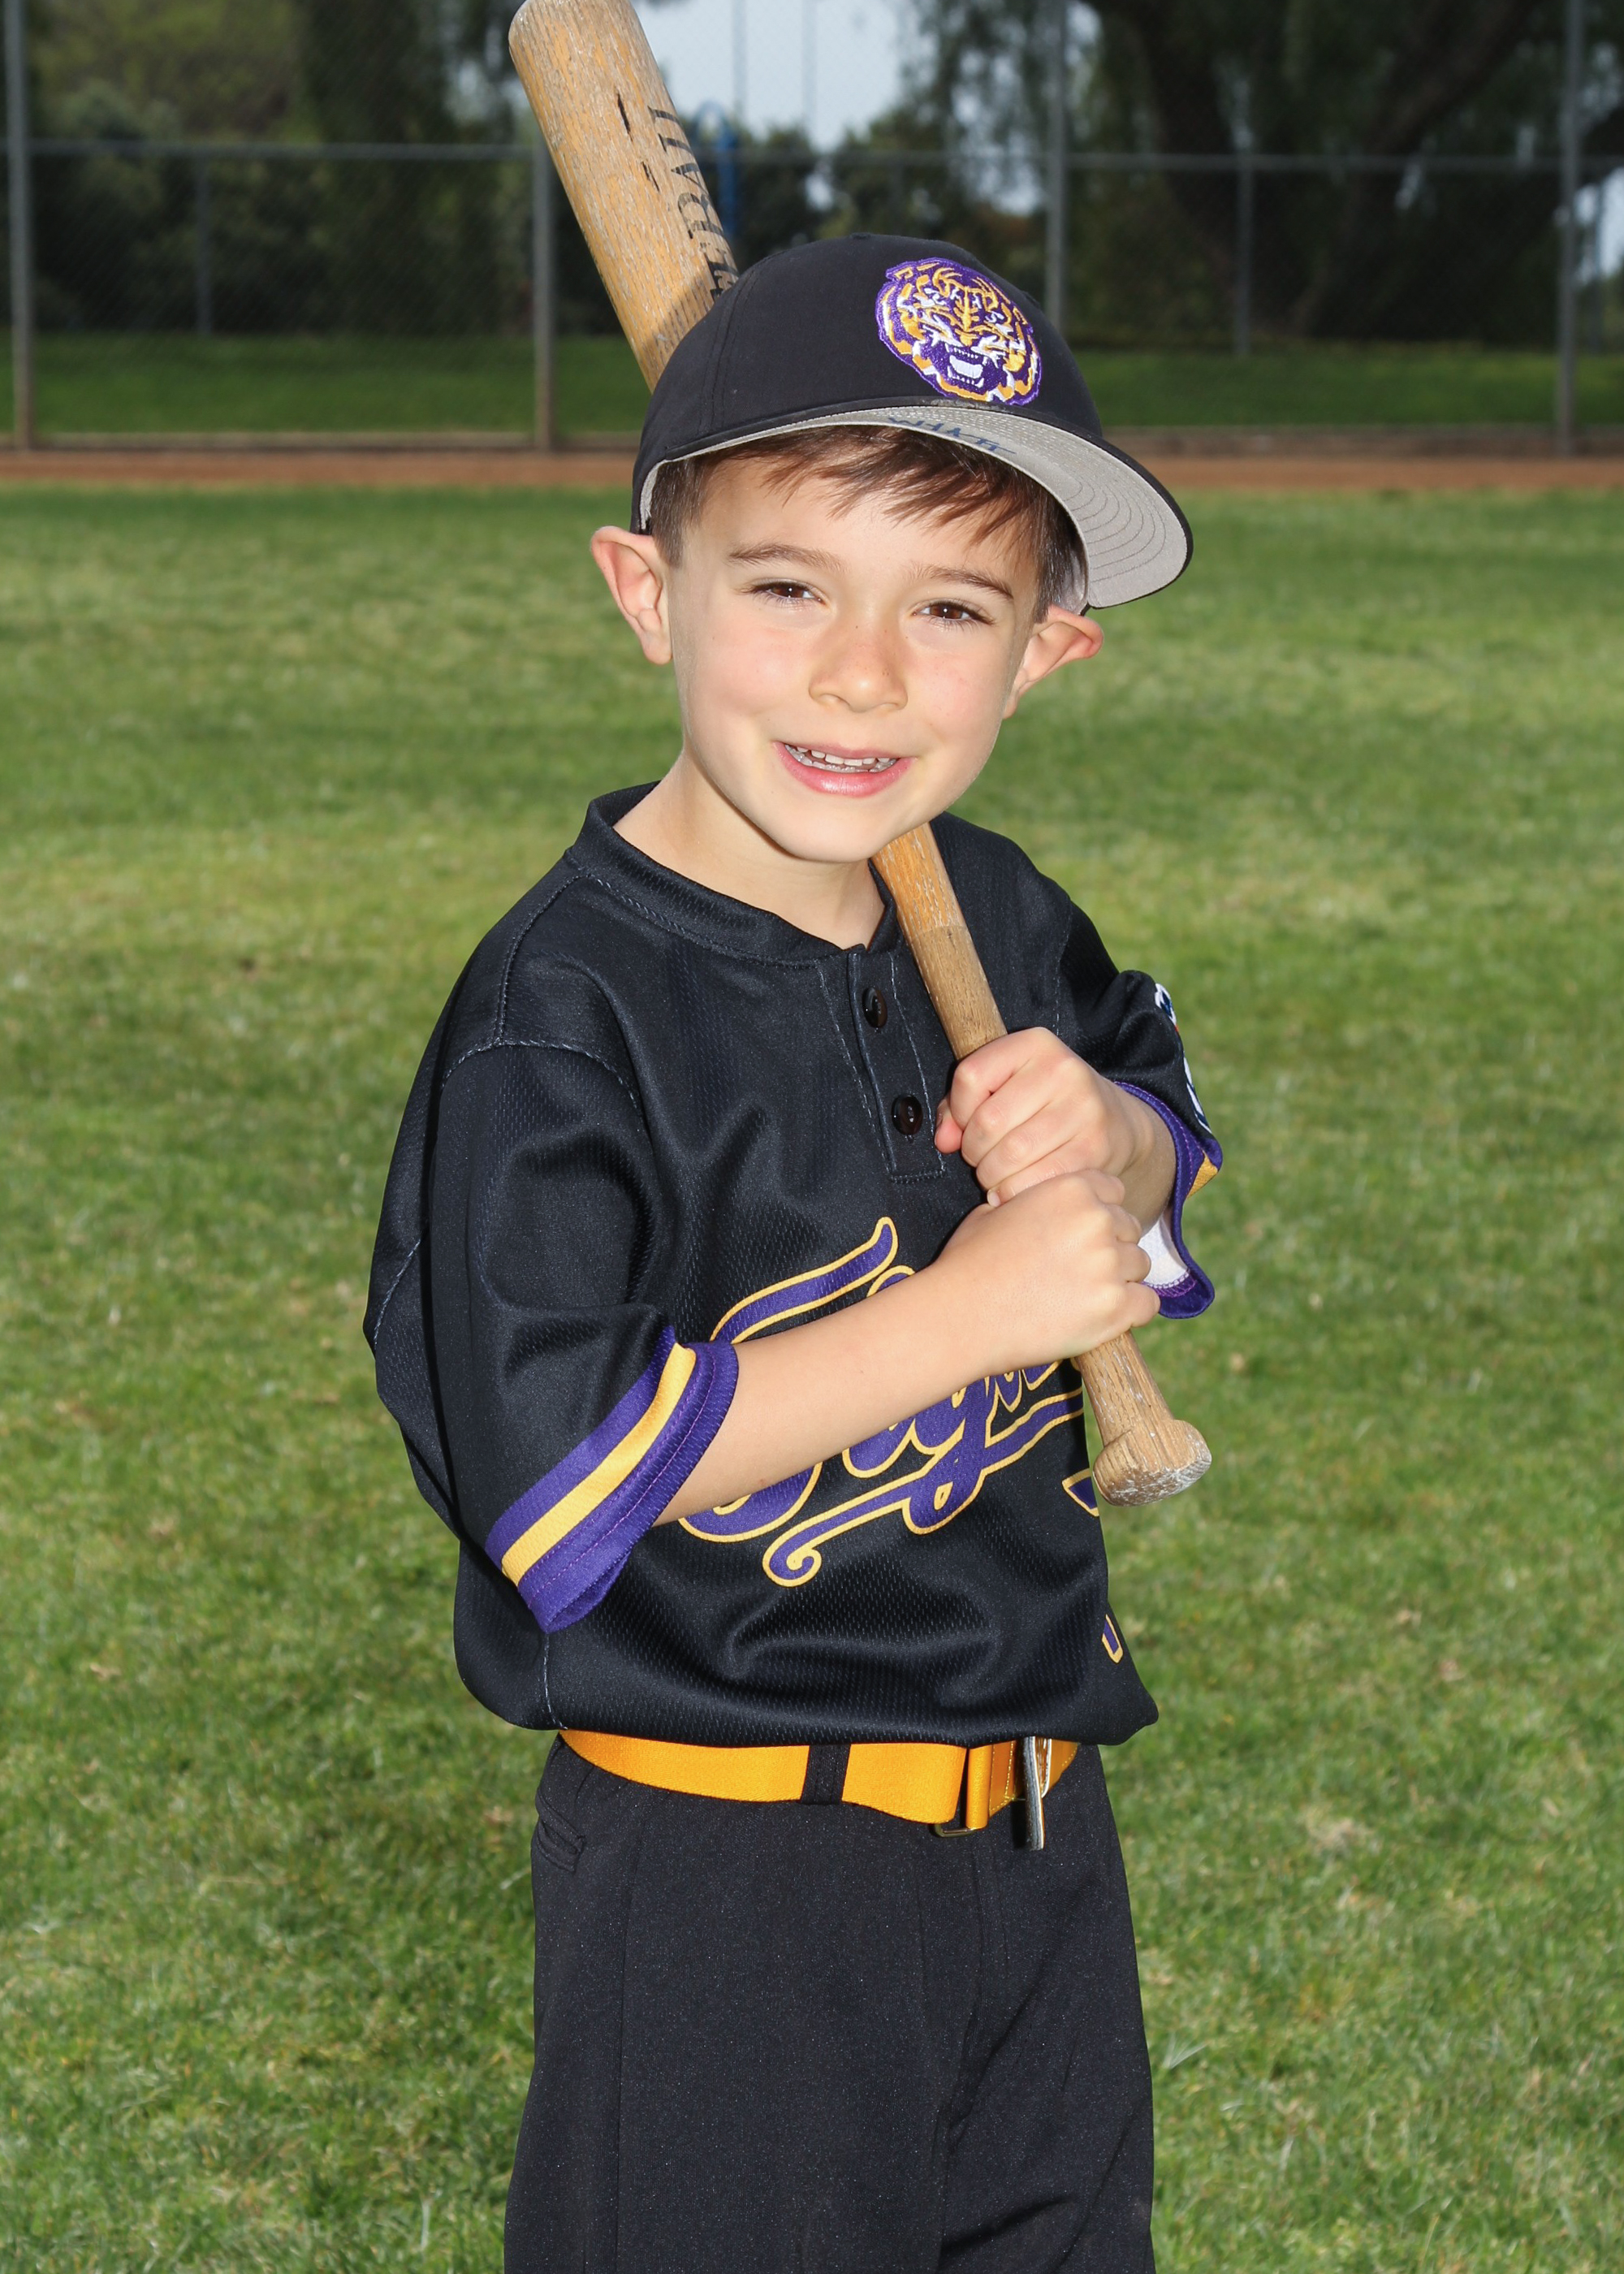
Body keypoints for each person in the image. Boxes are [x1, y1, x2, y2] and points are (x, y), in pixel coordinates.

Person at [368, 235, 1221, 2273]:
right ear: (644, 591)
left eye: (950, 608)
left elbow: (1149, 1102)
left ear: (1045, 653)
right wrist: (965, 1313)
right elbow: (564, 1472)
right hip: (726, 1868)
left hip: (1035, 1830)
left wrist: (1107, 1140)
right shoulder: (559, 1013)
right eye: (784, 587)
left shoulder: (1000, 911)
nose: (862, 673)